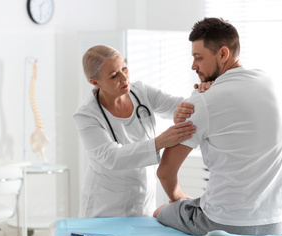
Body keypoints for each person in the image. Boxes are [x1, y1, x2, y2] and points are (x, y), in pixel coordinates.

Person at [154, 17, 282, 236]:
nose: (193, 66)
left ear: (223, 54)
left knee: (161, 211)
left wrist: (177, 198)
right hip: (277, 220)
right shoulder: (269, 82)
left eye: (198, 57)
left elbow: (165, 171)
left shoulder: (204, 100)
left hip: (224, 222)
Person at [74, 45, 200, 218]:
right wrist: (159, 142)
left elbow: (180, 107)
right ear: (95, 82)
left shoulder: (140, 92)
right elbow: (111, 157)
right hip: (105, 207)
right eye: (114, 75)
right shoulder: (86, 115)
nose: (124, 77)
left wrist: (204, 93)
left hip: (143, 199)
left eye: (124, 68)